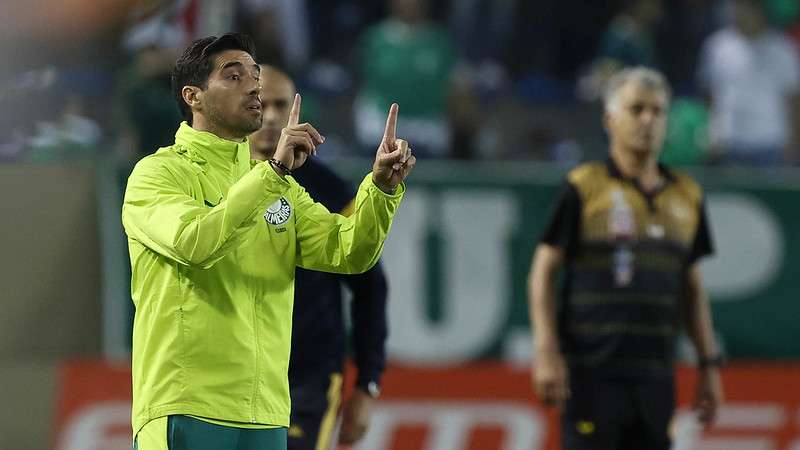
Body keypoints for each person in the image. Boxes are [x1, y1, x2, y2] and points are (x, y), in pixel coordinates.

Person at [122, 33, 415, 450]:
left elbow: (348, 252)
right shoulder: (157, 175)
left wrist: (382, 189)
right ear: (194, 96)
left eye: (255, 75)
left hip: (266, 413)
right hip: (187, 403)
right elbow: (193, 242)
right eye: (234, 75)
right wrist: (273, 171)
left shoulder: (277, 185)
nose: (254, 85)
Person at [528, 67, 723, 450]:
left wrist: (709, 365)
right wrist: (546, 351)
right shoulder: (584, 188)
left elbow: (692, 286)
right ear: (609, 119)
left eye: (657, 111)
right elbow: (542, 272)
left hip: (656, 374)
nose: (648, 120)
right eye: (636, 109)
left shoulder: (687, 195)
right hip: (591, 372)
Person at [249, 65, 388, 449]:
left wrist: (367, 383)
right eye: (261, 104)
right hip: (235, 372)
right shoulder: (213, 179)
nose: (273, 116)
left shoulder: (326, 188)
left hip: (307, 378)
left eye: (283, 104)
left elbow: (369, 286)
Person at [698, 0, 800, 166]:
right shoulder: (716, 46)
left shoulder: (783, 48)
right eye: (737, 6)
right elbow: (710, 96)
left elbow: (794, 100)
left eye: (748, 6)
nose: (742, 11)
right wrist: (712, 133)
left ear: (760, 10)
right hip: (728, 143)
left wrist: (794, 143)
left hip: (770, 143)